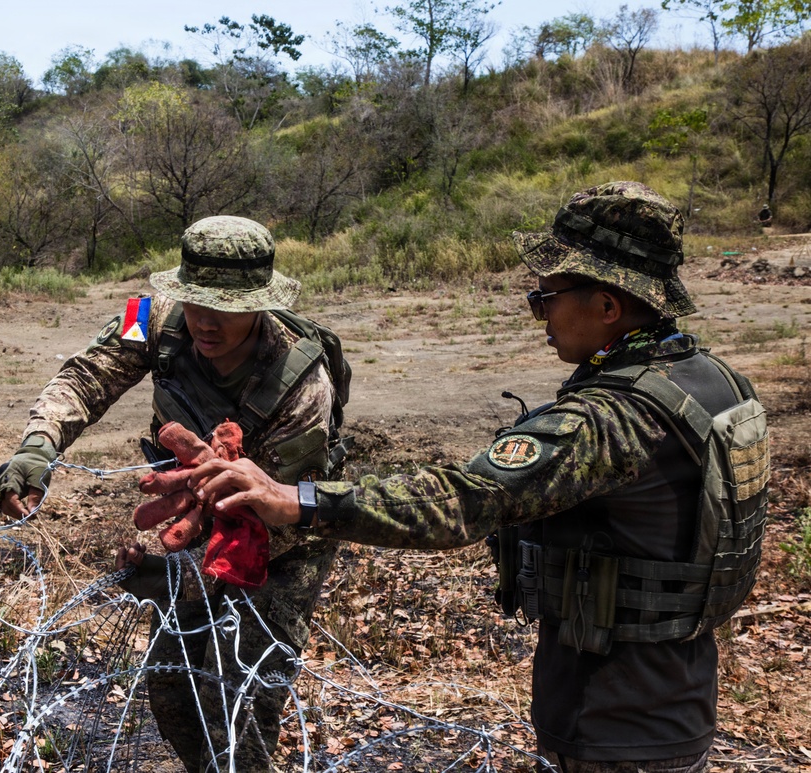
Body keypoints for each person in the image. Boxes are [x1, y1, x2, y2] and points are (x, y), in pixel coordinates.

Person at [190, 182, 770, 772]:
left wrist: (296, 499)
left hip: (613, 725)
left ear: (608, 305)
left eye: (546, 295)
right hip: (675, 701)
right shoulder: (711, 382)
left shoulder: (610, 419)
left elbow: (466, 499)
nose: (538, 311)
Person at [0, 215, 344, 772]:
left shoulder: (302, 382)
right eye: (194, 299)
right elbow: (86, 374)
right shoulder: (148, 314)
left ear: (259, 303)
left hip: (279, 552)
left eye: (224, 307)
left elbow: (276, 515)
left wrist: (174, 574)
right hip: (193, 539)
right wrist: (38, 447)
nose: (204, 321)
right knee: (174, 694)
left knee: (237, 709)